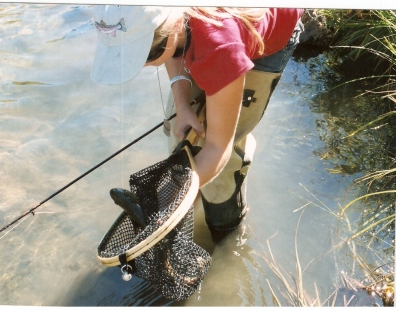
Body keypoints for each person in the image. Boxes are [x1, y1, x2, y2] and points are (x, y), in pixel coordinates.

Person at [91, 5, 304, 241]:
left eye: (145, 56)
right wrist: (182, 105)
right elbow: (174, 50)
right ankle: (223, 126)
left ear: (173, 27)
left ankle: (226, 231)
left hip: (267, 40)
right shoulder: (162, 22)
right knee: (179, 136)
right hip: (206, 37)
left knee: (220, 158)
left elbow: (216, 147)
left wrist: (167, 205)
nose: (143, 65)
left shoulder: (221, 47)